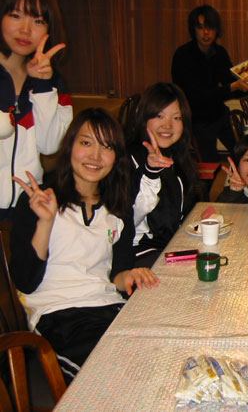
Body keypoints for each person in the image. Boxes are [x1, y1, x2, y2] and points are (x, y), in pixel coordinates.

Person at [10, 108, 160, 382]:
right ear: (70, 147)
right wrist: (45, 222)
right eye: (86, 143)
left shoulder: (117, 206)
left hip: (109, 307)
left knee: (160, 353)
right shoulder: (39, 200)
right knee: (114, 376)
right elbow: (25, 282)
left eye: (106, 147)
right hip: (59, 315)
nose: (95, 156)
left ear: (116, 156)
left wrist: (132, 274)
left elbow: (118, 274)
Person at [0, 0, 72, 219]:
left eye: (38, 20)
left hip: (28, 209)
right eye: (15, 15)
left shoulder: (52, 82)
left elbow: (50, 145)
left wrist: (43, 85)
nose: (25, 29)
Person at [171, 4, 248, 162]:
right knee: (210, 164)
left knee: (245, 153)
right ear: (193, 30)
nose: (206, 32)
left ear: (216, 30)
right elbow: (194, 96)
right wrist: (231, 87)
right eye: (200, 27)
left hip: (219, 114)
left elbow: (230, 84)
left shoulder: (219, 53)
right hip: (196, 120)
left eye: (210, 27)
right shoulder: (183, 55)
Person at [129, 82, 196, 268]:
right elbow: (126, 220)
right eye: (159, 116)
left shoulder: (177, 157)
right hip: (137, 252)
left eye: (176, 117)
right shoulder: (129, 159)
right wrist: (150, 172)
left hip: (170, 247)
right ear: (143, 117)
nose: (167, 125)